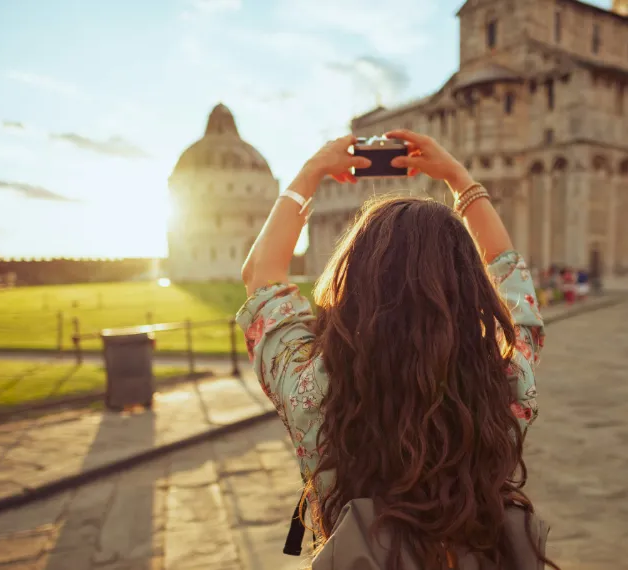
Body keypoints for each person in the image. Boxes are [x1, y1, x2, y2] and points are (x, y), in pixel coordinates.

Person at [236, 130, 555, 569]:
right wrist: (461, 181)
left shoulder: (315, 390)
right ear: (470, 292)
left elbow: (260, 277)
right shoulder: (505, 378)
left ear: (355, 288)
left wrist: (308, 176)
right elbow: (514, 280)